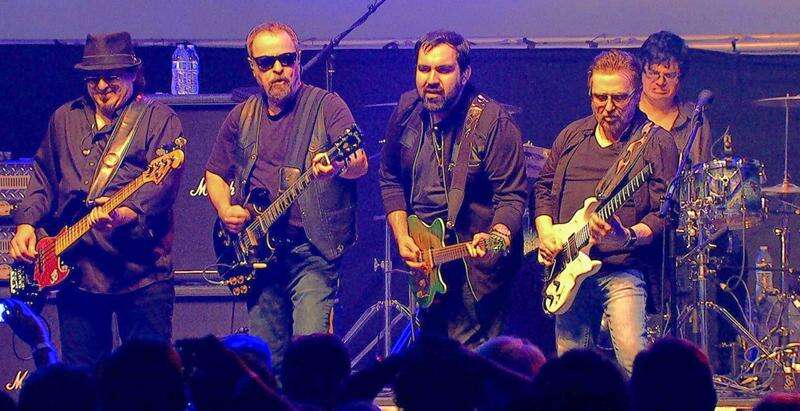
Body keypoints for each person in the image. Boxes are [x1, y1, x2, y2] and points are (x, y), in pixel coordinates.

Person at [9, 32, 184, 367]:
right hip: (79, 272)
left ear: (133, 74)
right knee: (83, 379)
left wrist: (127, 213)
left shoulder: (158, 119)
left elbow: (164, 186)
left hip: (141, 273)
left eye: (111, 76)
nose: (101, 86)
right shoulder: (64, 119)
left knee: (149, 378)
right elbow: (43, 178)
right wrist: (26, 224)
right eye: (93, 78)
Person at [204, 21, 367, 374]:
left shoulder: (327, 106)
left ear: (298, 60)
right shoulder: (242, 115)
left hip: (311, 250)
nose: (278, 68)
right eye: (267, 62)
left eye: (286, 59)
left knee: (310, 357)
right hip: (258, 255)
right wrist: (225, 208)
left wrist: (337, 166)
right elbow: (214, 173)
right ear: (253, 68)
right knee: (266, 362)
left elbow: (359, 163)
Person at [379, 30, 527, 347]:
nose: (431, 80)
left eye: (444, 70)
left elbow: (512, 196)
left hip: (476, 270)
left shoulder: (491, 122)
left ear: (465, 73)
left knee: (471, 363)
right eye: (424, 69)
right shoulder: (406, 111)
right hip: (429, 262)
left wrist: (498, 235)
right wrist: (403, 237)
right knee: (434, 360)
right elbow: (390, 178)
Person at [533, 49, 679, 373]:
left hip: (624, 269)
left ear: (637, 95)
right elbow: (543, 188)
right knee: (571, 372)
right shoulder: (571, 137)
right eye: (600, 97)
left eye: (619, 98)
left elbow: (665, 214)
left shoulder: (656, 143)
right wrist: (546, 232)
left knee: (633, 361)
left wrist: (626, 235)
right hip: (569, 269)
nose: (608, 107)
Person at [639, 30, 712, 163]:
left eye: (669, 75)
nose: (660, 82)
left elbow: (703, 171)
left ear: (680, 78)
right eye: (653, 73)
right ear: (642, 72)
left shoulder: (695, 120)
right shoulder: (626, 113)